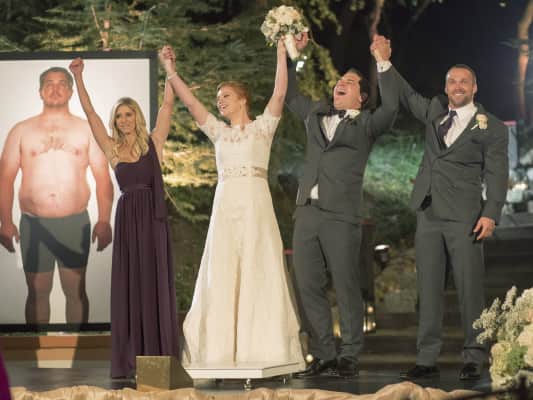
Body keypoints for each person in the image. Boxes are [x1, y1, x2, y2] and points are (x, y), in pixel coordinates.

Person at [159, 42, 305, 367]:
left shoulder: (262, 129)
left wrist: (281, 51)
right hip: (225, 209)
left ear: (243, 100)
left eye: (226, 96)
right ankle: (221, 352)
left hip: (255, 208)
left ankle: (263, 351)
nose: (220, 101)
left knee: (258, 267)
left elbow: (280, 93)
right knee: (223, 272)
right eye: (218, 98)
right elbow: (191, 103)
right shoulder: (219, 133)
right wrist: (171, 71)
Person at [375, 40, 509, 380]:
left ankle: (474, 356)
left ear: (475, 88)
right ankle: (426, 358)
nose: (457, 86)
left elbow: (497, 174)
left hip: (466, 216)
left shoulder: (490, 126)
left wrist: (491, 213)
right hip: (429, 212)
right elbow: (406, 95)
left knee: (469, 288)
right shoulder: (435, 110)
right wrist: (384, 62)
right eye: (452, 81)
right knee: (428, 288)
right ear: (446, 87)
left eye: (464, 81)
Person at [286, 34, 397, 378]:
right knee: (307, 285)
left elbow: (391, 108)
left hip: (341, 215)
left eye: (349, 82)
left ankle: (349, 352)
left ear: (361, 97)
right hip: (307, 212)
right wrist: (292, 56)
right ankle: (323, 354)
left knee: (346, 284)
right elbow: (289, 95)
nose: (340, 83)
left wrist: (383, 63)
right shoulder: (315, 113)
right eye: (339, 80)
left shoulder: (367, 124)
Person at [68, 57, 179, 379]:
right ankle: (131, 360)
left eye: (128, 114)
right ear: (115, 121)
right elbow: (90, 113)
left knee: (154, 285)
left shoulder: (153, 143)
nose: (124, 119)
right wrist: (78, 77)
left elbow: (167, 107)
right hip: (129, 220)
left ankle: (158, 360)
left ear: (136, 117)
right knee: (132, 287)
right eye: (119, 115)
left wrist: (170, 69)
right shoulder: (112, 148)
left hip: (153, 221)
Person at [0, 66, 113, 325]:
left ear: (71, 91)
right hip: (34, 224)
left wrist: (104, 220)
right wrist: (5, 222)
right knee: (36, 292)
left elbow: (103, 178)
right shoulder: (21, 130)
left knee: (76, 291)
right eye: (49, 84)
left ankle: (78, 345)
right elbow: (4, 178)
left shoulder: (87, 130)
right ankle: (36, 345)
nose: (55, 88)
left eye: (62, 83)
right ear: (40, 91)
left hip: (74, 223)